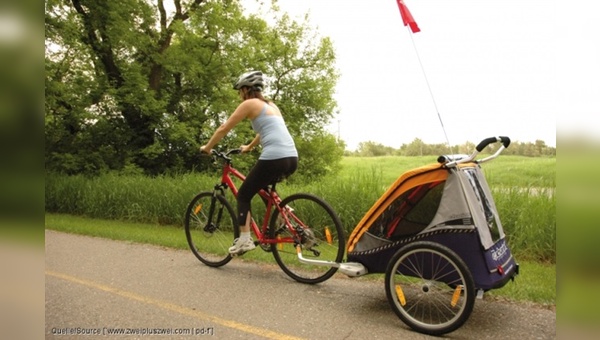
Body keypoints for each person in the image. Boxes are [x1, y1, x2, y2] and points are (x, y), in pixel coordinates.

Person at [200, 71, 298, 255]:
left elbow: (224, 128)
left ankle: (245, 240)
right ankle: (283, 216)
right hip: (291, 157)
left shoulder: (249, 104)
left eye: (240, 91)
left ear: (246, 89)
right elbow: (265, 130)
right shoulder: (271, 106)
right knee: (263, 188)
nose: (239, 95)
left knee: (244, 195)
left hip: (275, 156)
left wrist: (207, 147)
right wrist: (250, 146)